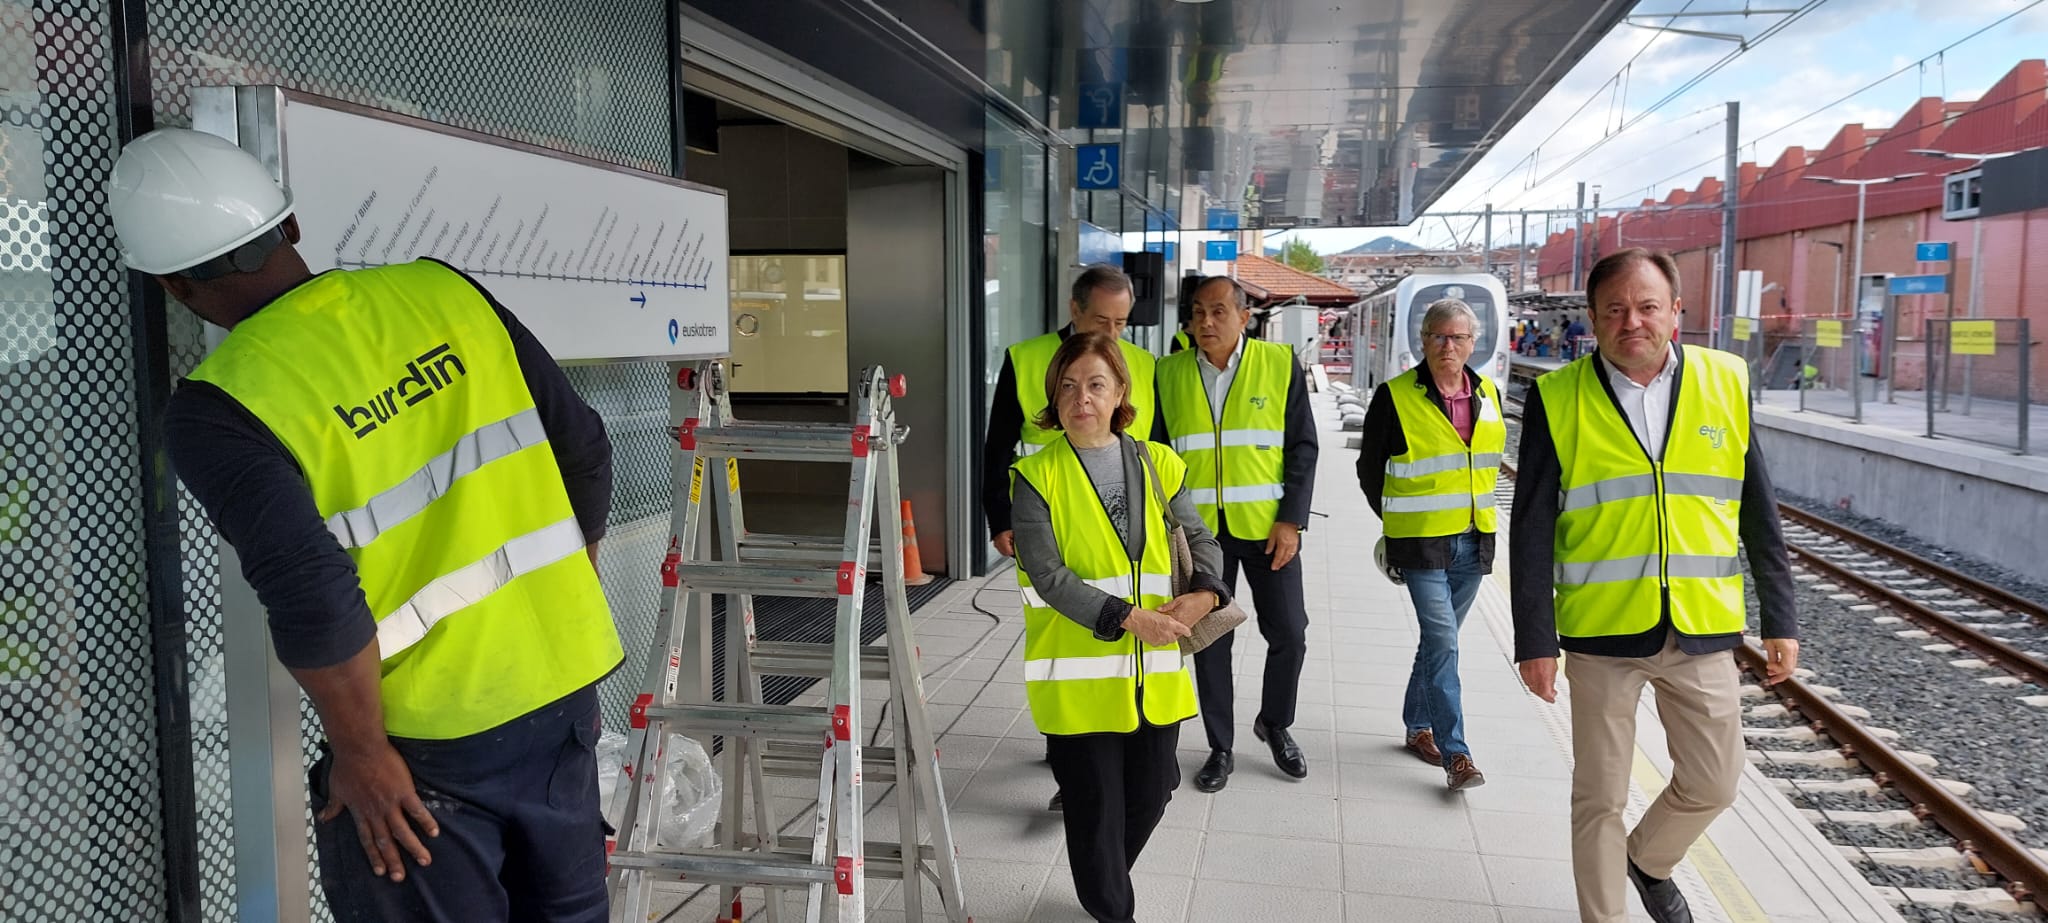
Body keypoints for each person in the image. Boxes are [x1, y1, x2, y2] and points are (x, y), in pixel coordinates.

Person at [109, 129, 622, 922]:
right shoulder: (442, 291)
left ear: (175, 287)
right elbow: (582, 449)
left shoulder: (220, 408)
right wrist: (562, 594)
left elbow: (315, 593)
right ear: (291, 228)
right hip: (562, 697)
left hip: (424, 750)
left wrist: (360, 751)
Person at [1510, 248, 1800, 923]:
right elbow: (1530, 528)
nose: (1630, 320)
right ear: (1592, 319)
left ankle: (1647, 859)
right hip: (1601, 631)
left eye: (1646, 306)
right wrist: (1535, 638)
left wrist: (1780, 619)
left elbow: (1759, 509)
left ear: (1677, 312)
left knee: (1715, 781)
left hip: (1700, 628)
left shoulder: (1726, 382)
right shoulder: (1559, 397)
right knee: (1599, 796)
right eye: (1613, 308)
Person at [1010, 333, 1230, 923]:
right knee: (1095, 807)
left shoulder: (1159, 463)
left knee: (1154, 792)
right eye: (1068, 385)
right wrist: (1130, 619)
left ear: (1120, 393)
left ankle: (1104, 880)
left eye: (1096, 384)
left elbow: (1201, 538)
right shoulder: (1034, 476)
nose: (1082, 396)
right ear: (1053, 397)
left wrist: (1204, 594)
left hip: (1154, 673)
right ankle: (1112, 908)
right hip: (1078, 677)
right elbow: (1048, 575)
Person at [1153, 276, 1319, 792]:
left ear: (1245, 316)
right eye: (1198, 312)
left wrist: (1291, 519)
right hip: (1202, 535)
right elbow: (1158, 453)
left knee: (1289, 632)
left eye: (1219, 311)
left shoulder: (1278, 363)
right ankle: (1220, 746)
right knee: (1210, 642)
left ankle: (1275, 723)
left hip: (1269, 529)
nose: (1206, 322)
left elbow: (1303, 447)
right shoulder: (1168, 372)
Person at [1355, 297, 1504, 792]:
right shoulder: (1394, 396)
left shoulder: (1490, 395)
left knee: (1441, 644)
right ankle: (1457, 755)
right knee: (1443, 642)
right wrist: (1397, 520)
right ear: (1423, 341)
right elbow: (1369, 470)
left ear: (1472, 343)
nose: (1448, 346)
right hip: (1420, 544)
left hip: (1473, 540)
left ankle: (1417, 725)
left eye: (1458, 337)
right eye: (1438, 336)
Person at [983, 265, 1155, 560]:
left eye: (1120, 322)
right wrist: (1000, 519)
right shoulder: (1025, 358)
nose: (1111, 334)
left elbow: (1156, 446)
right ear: (1075, 309)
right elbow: (998, 447)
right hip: (1048, 510)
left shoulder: (1146, 363)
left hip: (1126, 512)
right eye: (1101, 320)